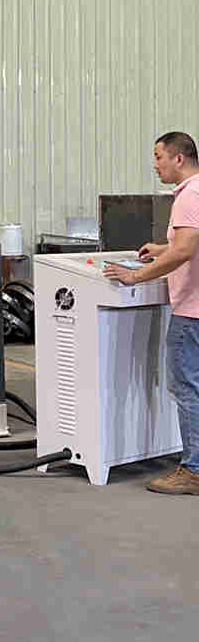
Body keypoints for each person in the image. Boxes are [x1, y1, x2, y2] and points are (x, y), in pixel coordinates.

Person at [103, 131, 199, 494]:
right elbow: (186, 244)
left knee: (187, 388)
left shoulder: (189, 195)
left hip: (191, 311)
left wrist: (135, 276)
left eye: (159, 156)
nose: (155, 165)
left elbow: (186, 250)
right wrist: (162, 249)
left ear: (179, 158)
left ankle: (194, 471)